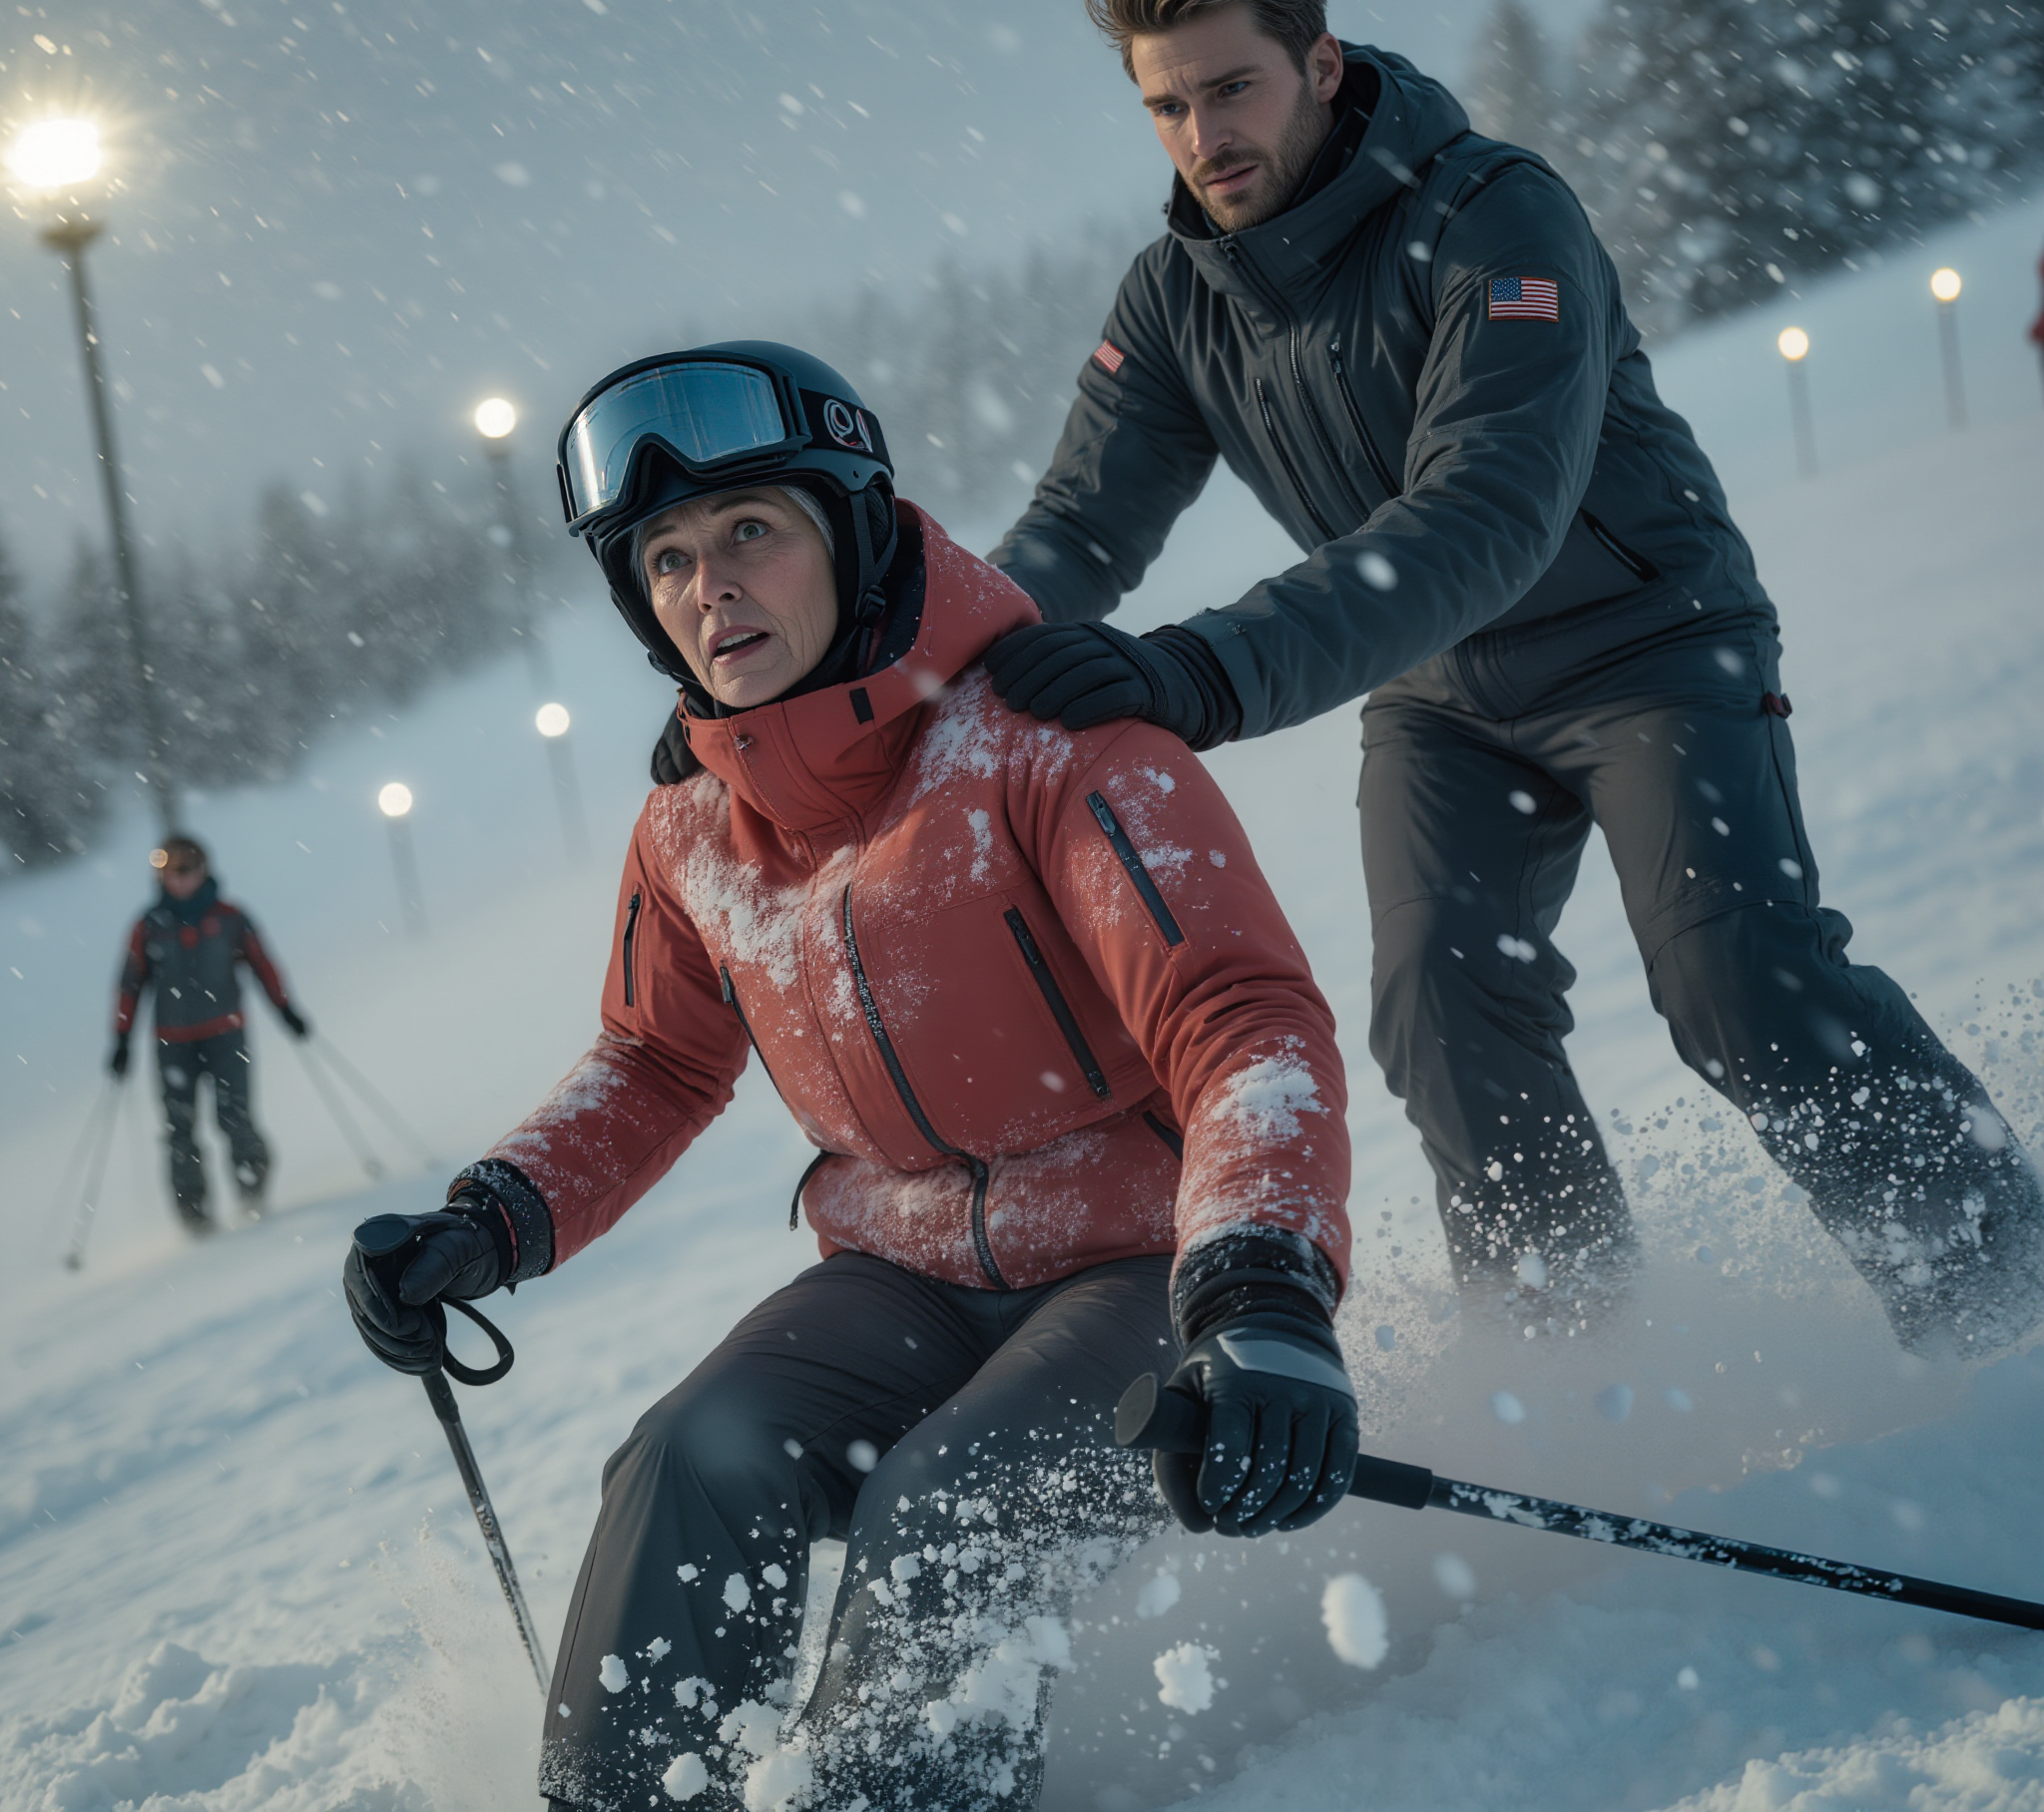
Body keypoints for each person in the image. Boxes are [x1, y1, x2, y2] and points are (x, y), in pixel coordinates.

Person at [984, 0, 2044, 1355]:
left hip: (1648, 645)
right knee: (1442, 1016)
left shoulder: (1493, 214)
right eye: (1166, 104)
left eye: (1232, 87)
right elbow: (1075, 535)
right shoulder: (1179, 299)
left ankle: (2004, 1302)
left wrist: (1201, 670)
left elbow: (1487, 510)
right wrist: (873, 662)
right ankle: (1578, 1370)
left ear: (1320, 62)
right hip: (1439, 700)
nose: (1200, 133)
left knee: (1737, 977)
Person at [341, 342, 1358, 1812]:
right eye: (669, 561)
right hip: (901, 1272)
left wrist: (1263, 1289)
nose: (711, 586)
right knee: (691, 1460)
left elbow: (1240, 1017)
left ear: (857, 529)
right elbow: (655, 1058)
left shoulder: (1046, 738)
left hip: (1149, 1262)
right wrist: (492, 1217)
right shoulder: (692, 826)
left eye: (753, 530)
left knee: (950, 1506)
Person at [111, 834, 309, 1231]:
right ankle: (194, 1215)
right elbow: (130, 984)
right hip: (173, 1044)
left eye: (187, 869)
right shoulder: (149, 926)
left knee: (235, 1118)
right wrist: (121, 1038)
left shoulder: (230, 917)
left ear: (204, 869)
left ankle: (251, 1190)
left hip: (225, 1036)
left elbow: (262, 964)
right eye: (170, 872)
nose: (180, 879)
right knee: (179, 1129)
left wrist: (286, 1009)